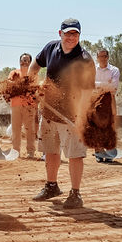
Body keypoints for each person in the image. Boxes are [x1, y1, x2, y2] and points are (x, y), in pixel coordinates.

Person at [30, 18, 96, 209]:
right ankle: (51, 186)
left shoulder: (84, 60)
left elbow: (86, 92)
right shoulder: (51, 48)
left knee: (75, 154)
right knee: (51, 151)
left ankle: (76, 194)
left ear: (79, 35)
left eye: (75, 34)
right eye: (67, 33)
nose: (71, 37)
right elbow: (36, 65)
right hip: (49, 112)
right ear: (60, 34)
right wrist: (31, 83)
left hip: (72, 116)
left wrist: (80, 117)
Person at [8, 53, 38, 159]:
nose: (24, 62)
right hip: (15, 105)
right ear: (19, 61)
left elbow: (36, 89)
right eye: (22, 60)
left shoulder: (33, 75)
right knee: (16, 129)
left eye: (26, 60)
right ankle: (16, 151)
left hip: (29, 106)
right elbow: (9, 83)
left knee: (30, 130)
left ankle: (30, 152)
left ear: (30, 63)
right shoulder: (14, 73)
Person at [93, 48, 121, 162]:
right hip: (94, 101)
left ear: (108, 57)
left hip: (109, 100)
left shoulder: (114, 70)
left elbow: (113, 86)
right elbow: (89, 85)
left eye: (104, 56)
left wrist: (98, 85)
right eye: (100, 56)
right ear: (97, 57)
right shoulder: (93, 69)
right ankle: (99, 153)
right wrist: (105, 85)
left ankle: (109, 153)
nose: (102, 59)